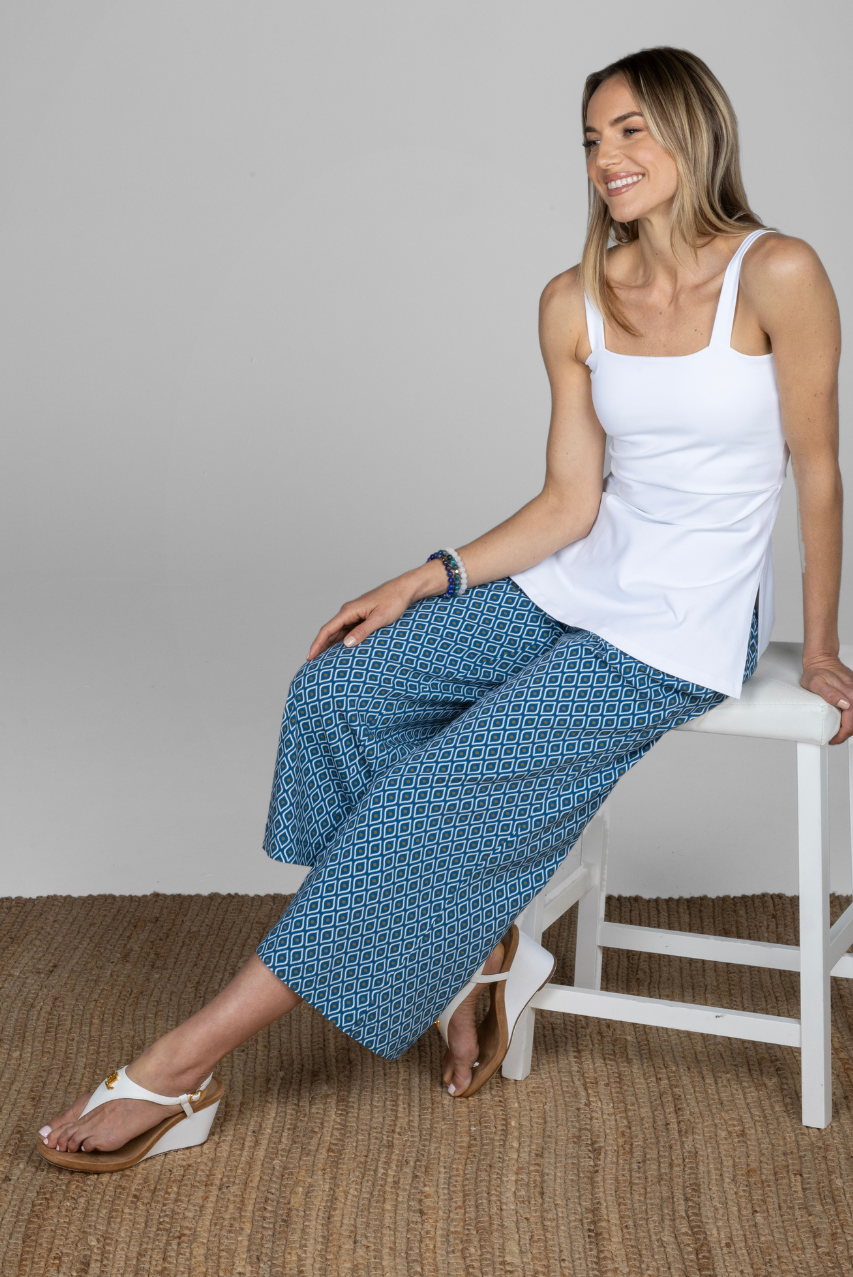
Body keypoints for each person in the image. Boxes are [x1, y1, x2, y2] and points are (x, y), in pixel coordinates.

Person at [39, 46, 853, 1171]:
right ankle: (455, 944)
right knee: (340, 687)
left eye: (628, 131)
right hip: (580, 580)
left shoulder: (781, 275)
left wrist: (819, 646)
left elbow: (817, 467)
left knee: (424, 799)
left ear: (689, 130)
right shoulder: (571, 298)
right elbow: (571, 502)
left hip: (675, 628)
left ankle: (182, 1065)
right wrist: (427, 575)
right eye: (589, 138)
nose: (604, 158)